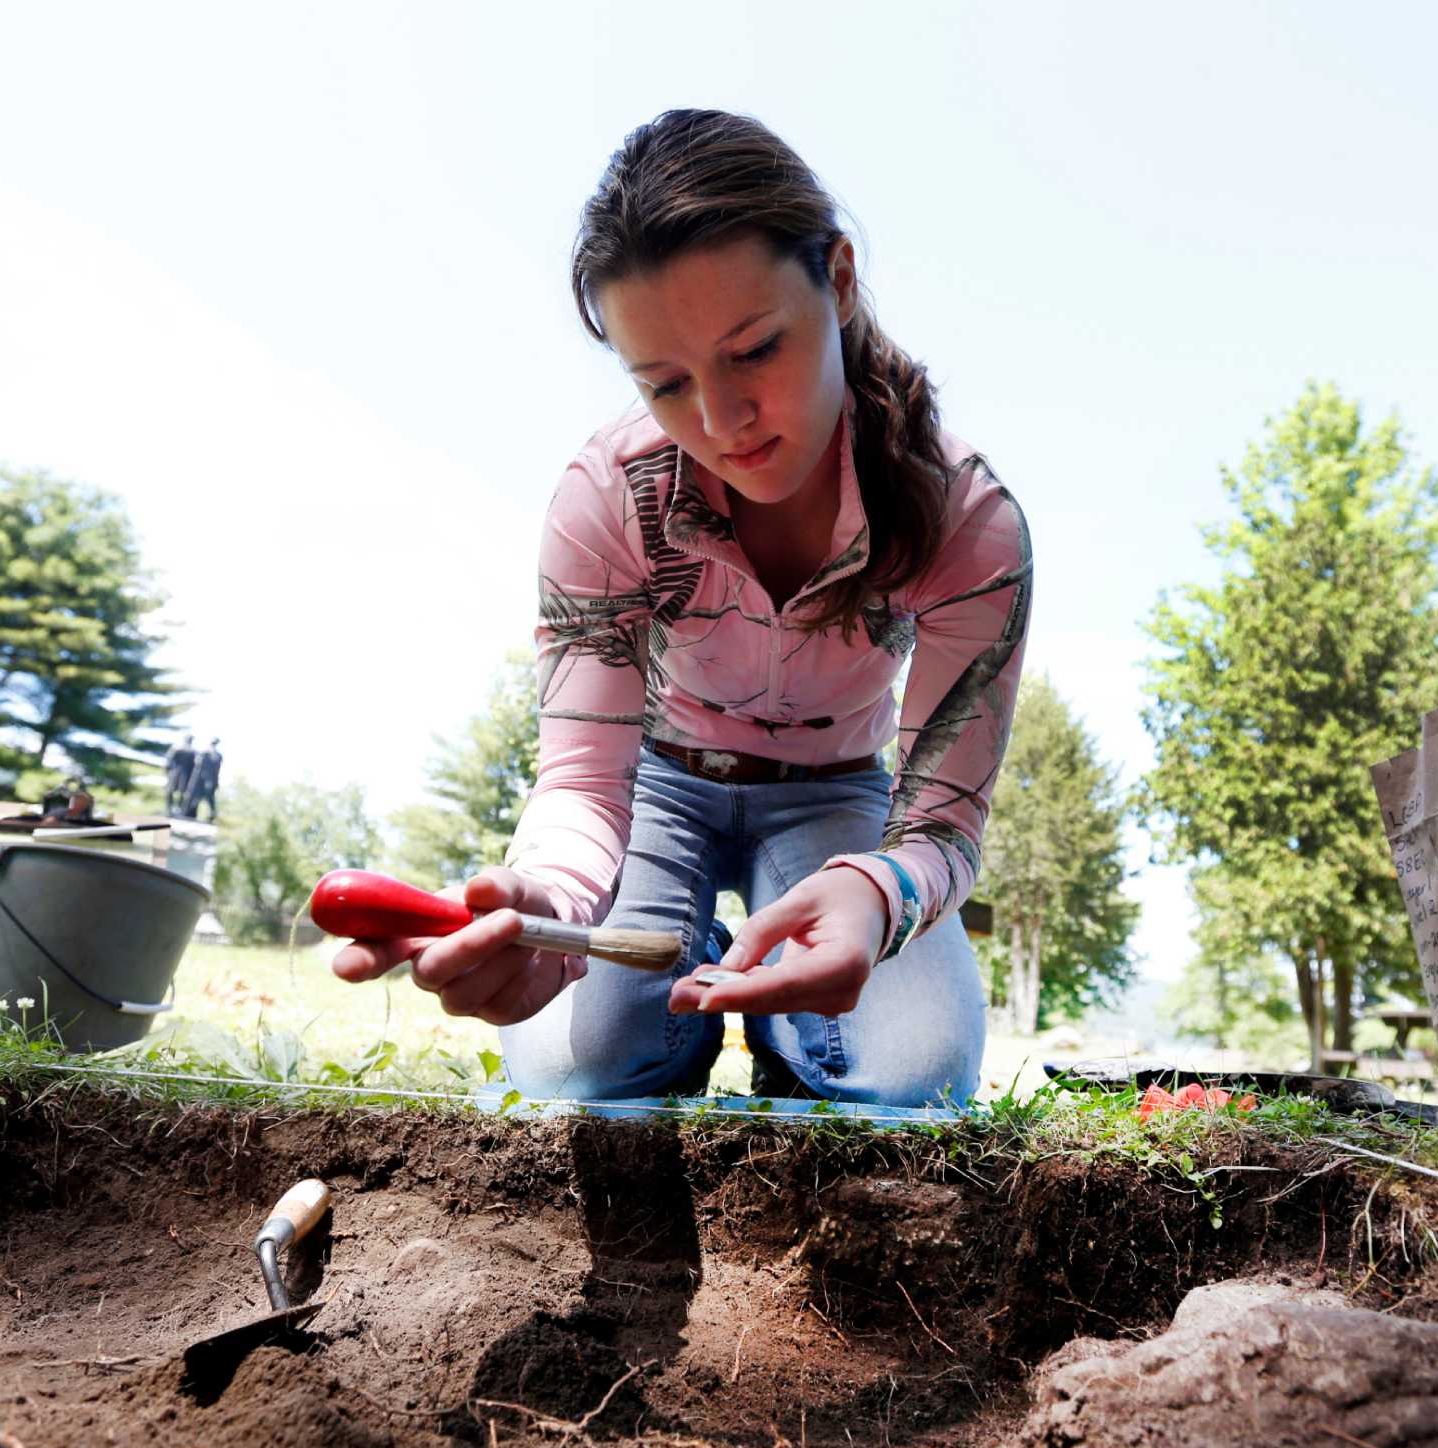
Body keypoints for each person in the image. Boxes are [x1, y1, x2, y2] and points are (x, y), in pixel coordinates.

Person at [332, 110, 1031, 1109]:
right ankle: (675, 952)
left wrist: (878, 896)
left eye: (753, 351)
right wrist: (553, 903)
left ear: (835, 280)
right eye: (663, 384)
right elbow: (580, 778)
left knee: (911, 1073)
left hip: (839, 795)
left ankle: (790, 1028)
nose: (719, 424)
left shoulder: (969, 523)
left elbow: (941, 822)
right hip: (659, 790)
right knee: (573, 1064)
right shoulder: (603, 497)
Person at [185, 738, 223, 822]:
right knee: (196, 798)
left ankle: (211, 816)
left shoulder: (216, 755)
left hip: (208, 781)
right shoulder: (206, 753)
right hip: (201, 781)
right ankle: (191, 814)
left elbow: (216, 770)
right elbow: (199, 766)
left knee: (209, 799)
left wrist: (211, 781)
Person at [165, 734, 197, 816]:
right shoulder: (178, 749)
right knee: (171, 791)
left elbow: (195, 766)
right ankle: (170, 809)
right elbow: (169, 762)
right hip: (177, 773)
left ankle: (176, 809)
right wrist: (168, 772)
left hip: (181, 774)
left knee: (181, 792)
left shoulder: (192, 751)